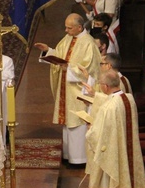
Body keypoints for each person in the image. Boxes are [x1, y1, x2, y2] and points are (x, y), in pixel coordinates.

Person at [33, 13, 101, 167]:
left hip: (78, 92)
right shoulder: (69, 38)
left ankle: (79, 159)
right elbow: (60, 54)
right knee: (67, 124)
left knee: (77, 123)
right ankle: (68, 155)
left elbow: (90, 69)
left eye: (69, 28)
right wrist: (48, 51)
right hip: (66, 88)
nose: (66, 30)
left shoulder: (89, 44)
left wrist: (68, 67)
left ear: (79, 27)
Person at [85, 70, 145, 188]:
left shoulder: (109, 108)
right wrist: (95, 95)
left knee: (107, 183)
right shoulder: (129, 99)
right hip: (128, 150)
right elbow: (111, 100)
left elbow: (99, 136)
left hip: (115, 153)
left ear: (106, 86)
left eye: (100, 83)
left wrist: (90, 128)